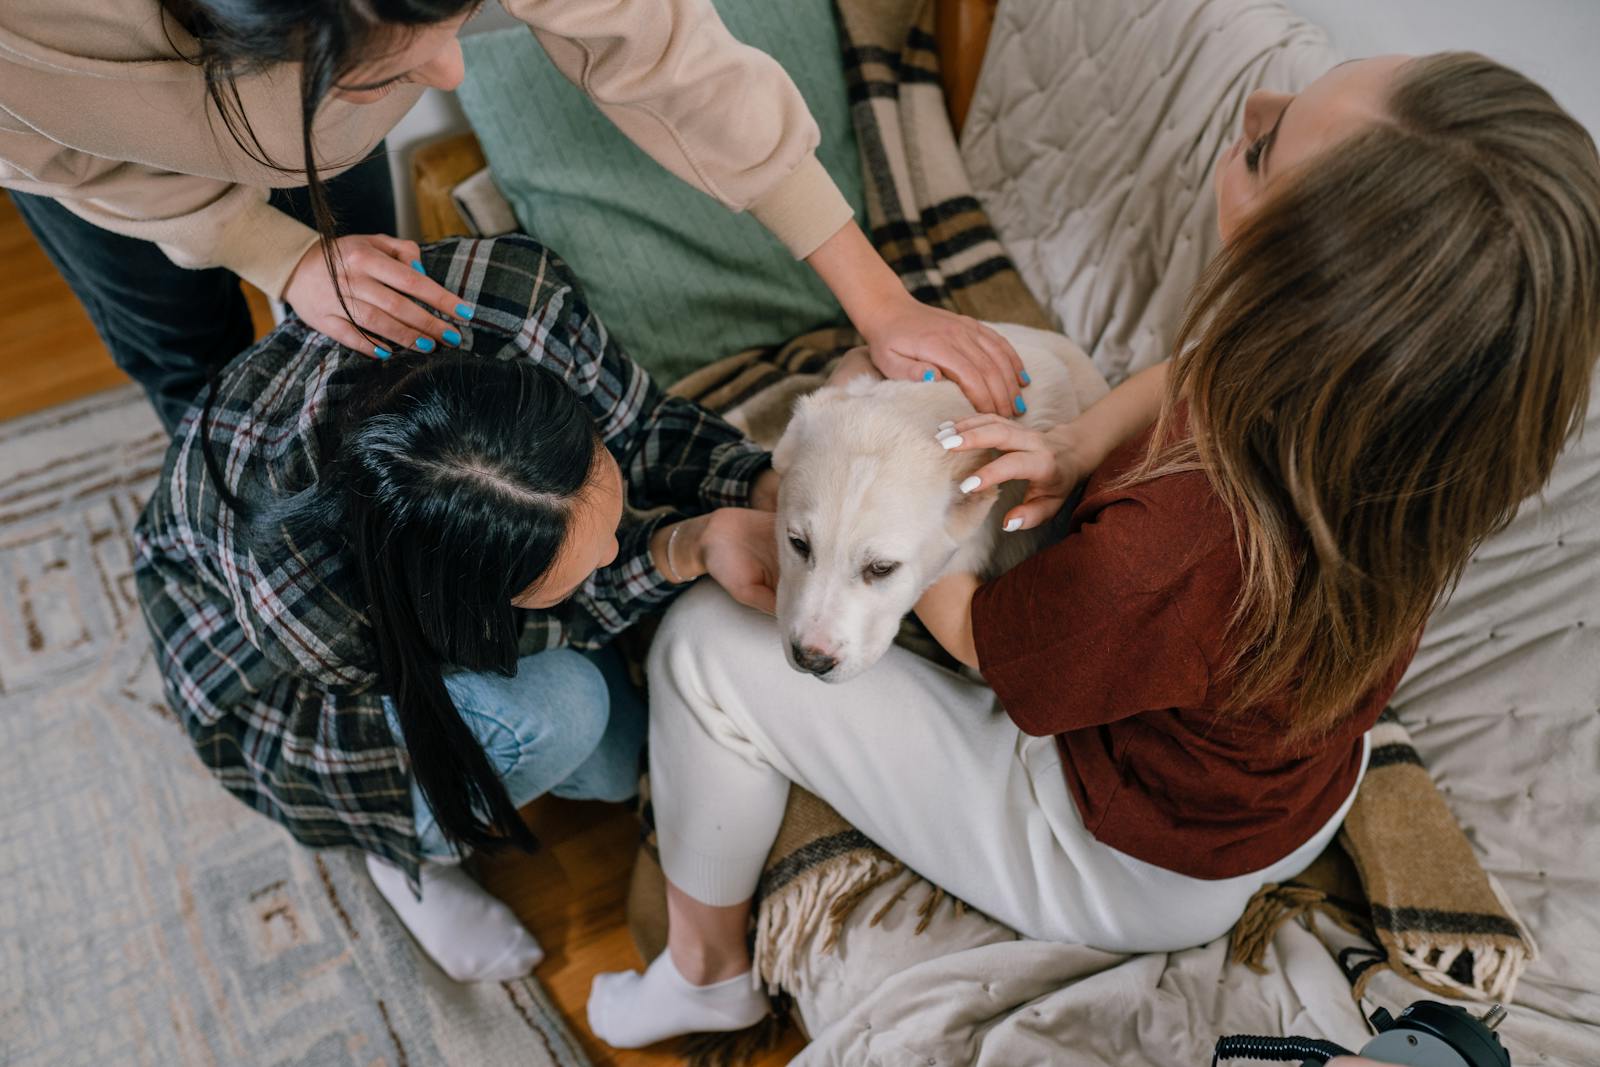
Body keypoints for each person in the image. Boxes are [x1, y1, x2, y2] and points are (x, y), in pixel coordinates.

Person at [585, 52, 1600, 1047]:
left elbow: (994, 647)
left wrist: (925, 528)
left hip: (1133, 856)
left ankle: (703, 972)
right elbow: (1187, 370)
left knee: (706, 646)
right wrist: (1074, 443)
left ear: (1314, 280)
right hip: (1284, 792)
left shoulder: (1173, 548)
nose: (1254, 96)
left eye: (1266, 145)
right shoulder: (1401, 420)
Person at [134, 233, 783, 982]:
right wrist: (678, 547)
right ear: (465, 596)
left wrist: (756, 481)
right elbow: (516, 633)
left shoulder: (518, 297)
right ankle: (406, 849)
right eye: (584, 559)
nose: (613, 548)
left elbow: (640, 423)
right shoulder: (307, 603)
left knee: (617, 763)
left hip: (397, 581)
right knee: (578, 716)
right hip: (276, 684)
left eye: (602, 507)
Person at [1, 0, 1026, 434]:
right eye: (400, 64)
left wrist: (879, 298)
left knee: (357, 342)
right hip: (103, 179)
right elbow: (71, 161)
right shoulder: (39, 45)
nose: (455, 71)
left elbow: (668, 56)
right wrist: (266, 250)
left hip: (306, 139)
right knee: (194, 364)